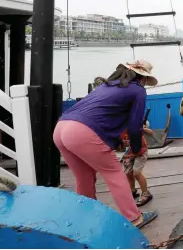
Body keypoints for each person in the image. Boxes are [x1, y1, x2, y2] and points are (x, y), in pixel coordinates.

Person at [54, 60, 158, 229]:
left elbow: (101, 116)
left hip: (61, 127)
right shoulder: (138, 89)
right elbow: (134, 126)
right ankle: (134, 218)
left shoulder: (106, 86)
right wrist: (137, 148)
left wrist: (116, 141)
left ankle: (87, 217)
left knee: (84, 176)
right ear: (143, 78)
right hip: (82, 132)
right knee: (114, 173)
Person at [120, 121, 154, 206]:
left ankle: (146, 193)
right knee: (128, 172)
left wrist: (143, 129)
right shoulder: (118, 130)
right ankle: (133, 191)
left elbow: (151, 133)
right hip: (130, 153)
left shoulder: (134, 126)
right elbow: (120, 146)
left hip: (141, 151)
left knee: (137, 173)